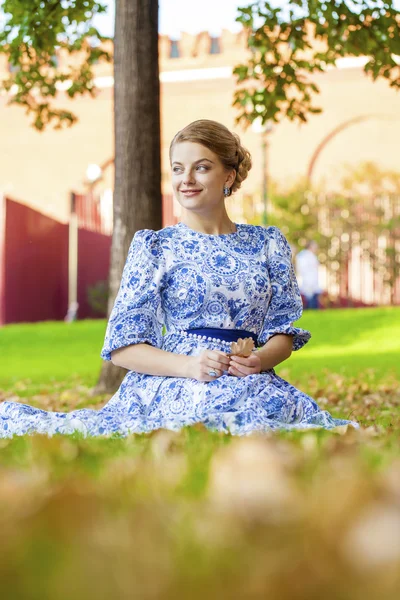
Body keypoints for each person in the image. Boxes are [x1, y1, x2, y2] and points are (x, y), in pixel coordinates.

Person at [0, 120, 358, 437]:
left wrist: (260, 361)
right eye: (177, 168)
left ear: (229, 176)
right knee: (211, 420)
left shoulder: (267, 244)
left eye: (201, 168)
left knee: (277, 423)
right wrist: (190, 366)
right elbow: (123, 348)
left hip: (251, 380)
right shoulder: (155, 247)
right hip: (177, 380)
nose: (186, 179)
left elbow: (283, 330)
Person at [295, 241, 322, 310]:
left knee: (313, 299)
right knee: (309, 299)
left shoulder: (311, 255)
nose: (316, 248)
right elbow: (302, 269)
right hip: (308, 281)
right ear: (310, 246)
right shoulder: (304, 256)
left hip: (313, 281)